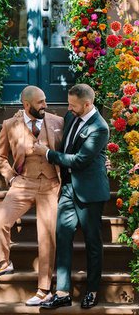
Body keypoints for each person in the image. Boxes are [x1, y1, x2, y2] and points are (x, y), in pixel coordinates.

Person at [0, 86, 64, 306]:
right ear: (26, 105)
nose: (45, 105)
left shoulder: (57, 122)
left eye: (45, 101)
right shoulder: (10, 125)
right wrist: (10, 177)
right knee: (0, 222)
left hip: (50, 184)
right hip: (23, 182)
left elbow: (69, 148)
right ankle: (3, 262)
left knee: (46, 237)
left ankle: (44, 290)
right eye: (40, 103)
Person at [33, 83, 110, 310]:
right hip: (68, 189)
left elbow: (79, 160)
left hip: (91, 192)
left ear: (88, 104)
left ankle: (93, 291)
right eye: (69, 103)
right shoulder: (71, 114)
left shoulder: (100, 128)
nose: (69, 108)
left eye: (73, 105)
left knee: (93, 243)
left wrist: (46, 154)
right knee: (63, 237)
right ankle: (63, 292)